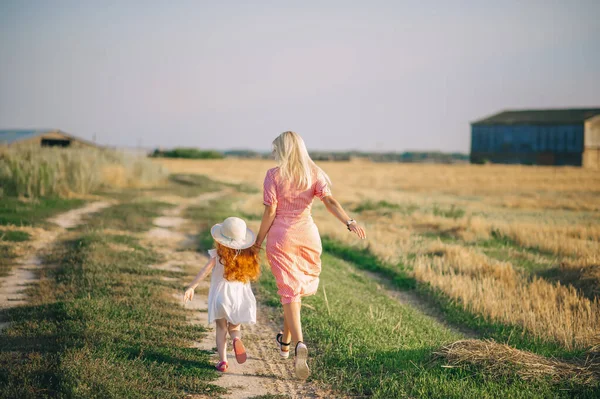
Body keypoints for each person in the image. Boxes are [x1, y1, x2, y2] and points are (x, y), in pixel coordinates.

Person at [253, 131, 366, 379]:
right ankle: (285, 343)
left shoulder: (273, 175)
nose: (274, 153)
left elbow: (270, 211)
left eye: (276, 149)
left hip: (281, 237)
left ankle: (299, 344)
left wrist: (258, 241)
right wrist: (350, 221)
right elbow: (330, 201)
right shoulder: (313, 173)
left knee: (289, 291)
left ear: (283, 150)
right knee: (293, 291)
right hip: (308, 236)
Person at [184, 216, 260, 372]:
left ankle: (223, 361)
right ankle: (236, 338)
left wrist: (192, 286)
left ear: (220, 238)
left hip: (221, 296)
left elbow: (205, 271)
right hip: (239, 296)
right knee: (234, 327)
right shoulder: (246, 257)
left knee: (221, 328)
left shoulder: (217, 254)